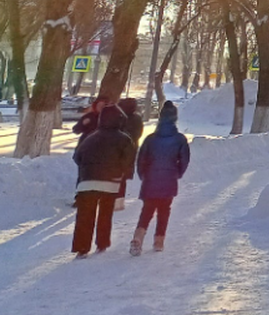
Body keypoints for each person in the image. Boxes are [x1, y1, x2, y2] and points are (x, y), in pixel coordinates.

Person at [71, 105, 136, 258]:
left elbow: (77, 157)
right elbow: (128, 161)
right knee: (105, 215)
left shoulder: (90, 137)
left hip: (86, 182)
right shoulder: (124, 139)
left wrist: (88, 169)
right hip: (110, 183)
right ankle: (102, 243)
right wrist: (121, 174)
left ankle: (82, 248)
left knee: (85, 216)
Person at [130, 101, 190, 256]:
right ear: (175, 118)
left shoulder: (150, 139)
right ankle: (158, 242)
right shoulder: (179, 139)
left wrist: (143, 175)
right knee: (164, 211)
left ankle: (138, 237)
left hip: (150, 179)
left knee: (147, 209)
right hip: (169, 180)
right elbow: (184, 160)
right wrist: (177, 173)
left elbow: (141, 159)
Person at [114, 97, 145, 211]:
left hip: (120, 151)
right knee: (121, 177)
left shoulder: (123, 118)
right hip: (129, 151)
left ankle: (116, 201)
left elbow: (133, 134)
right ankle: (118, 201)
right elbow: (137, 134)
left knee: (117, 176)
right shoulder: (136, 118)